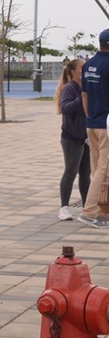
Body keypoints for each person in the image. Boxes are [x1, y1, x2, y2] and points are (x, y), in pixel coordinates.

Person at [78, 28, 109, 227]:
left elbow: (85, 94)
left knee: (98, 168)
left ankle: (103, 210)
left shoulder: (89, 64)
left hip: (92, 122)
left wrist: (90, 117)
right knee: (103, 169)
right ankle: (89, 211)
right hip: (106, 125)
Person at [56, 59, 90, 220]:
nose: (85, 69)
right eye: (82, 67)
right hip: (71, 138)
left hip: (87, 137)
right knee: (70, 172)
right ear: (74, 71)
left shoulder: (87, 86)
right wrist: (81, 98)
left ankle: (87, 206)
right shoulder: (69, 88)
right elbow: (65, 108)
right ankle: (64, 207)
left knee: (86, 174)